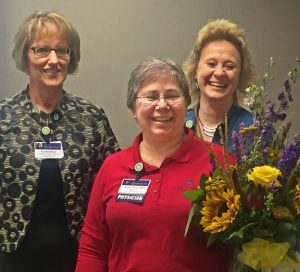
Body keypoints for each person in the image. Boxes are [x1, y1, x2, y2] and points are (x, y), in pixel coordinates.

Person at [76, 57, 235, 272]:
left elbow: (242, 248)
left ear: (186, 103)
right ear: (133, 108)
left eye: (171, 95)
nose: (162, 105)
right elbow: (93, 249)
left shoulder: (220, 162)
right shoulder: (112, 167)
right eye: (151, 96)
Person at [0, 10, 120, 272]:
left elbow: (114, 183)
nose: (53, 60)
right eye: (42, 50)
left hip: (77, 256)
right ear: (25, 56)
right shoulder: (3, 118)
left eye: (61, 51)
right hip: (12, 256)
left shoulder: (91, 118)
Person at [183, 19, 255, 153]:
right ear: (195, 71)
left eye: (229, 66)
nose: (219, 73)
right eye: (211, 64)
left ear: (240, 76)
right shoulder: (177, 125)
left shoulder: (257, 132)